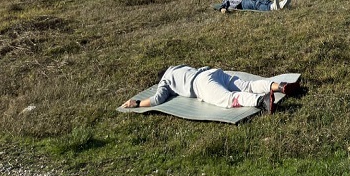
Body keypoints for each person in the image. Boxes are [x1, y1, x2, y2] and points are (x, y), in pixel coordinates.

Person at [120, 65, 301, 113]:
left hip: (201, 85)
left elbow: (158, 99)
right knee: (248, 85)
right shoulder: (177, 67)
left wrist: (137, 103)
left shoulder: (165, 80)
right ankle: (280, 86)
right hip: (212, 72)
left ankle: (262, 101)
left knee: (229, 99)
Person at [214, 0, 292, 12]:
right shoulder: (226, 0)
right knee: (255, 5)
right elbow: (217, 5)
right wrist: (221, 9)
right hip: (242, 3)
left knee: (264, 0)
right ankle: (272, 7)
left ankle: (280, 4)